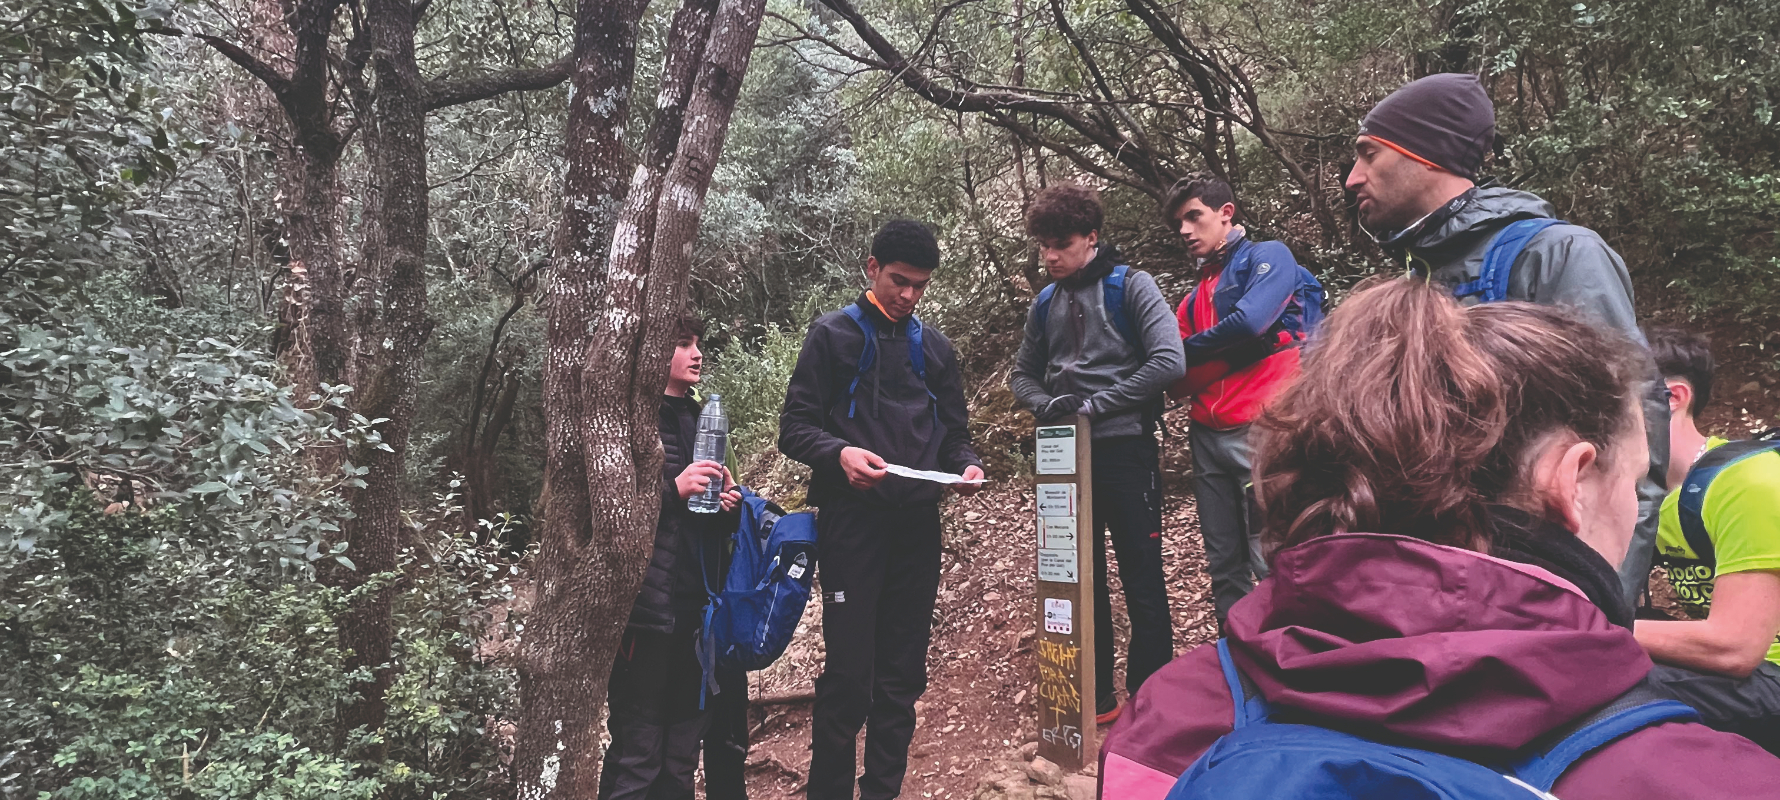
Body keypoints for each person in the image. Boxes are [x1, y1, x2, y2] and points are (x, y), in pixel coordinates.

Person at [1100, 279, 1780, 800]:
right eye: (1634, 480)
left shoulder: (1171, 715)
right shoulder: (1705, 777)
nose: (1637, 506)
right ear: (1569, 482)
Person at [1344, 72, 1670, 605]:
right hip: (1447, 585)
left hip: (1547, 592)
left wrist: (1605, 607)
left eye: (1369, 154)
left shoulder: (1558, 256)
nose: (1353, 178)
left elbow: (1627, 441)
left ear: (1427, 154)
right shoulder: (1416, 279)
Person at [778, 220, 985, 800]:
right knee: (849, 674)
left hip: (917, 525)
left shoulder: (935, 347)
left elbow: (956, 435)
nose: (908, 295)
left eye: (920, 286)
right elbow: (793, 428)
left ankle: (883, 792)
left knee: (902, 675)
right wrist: (838, 452)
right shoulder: (832, 336)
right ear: (872, 267)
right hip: (852, 522)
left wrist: (965, 466)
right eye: (899, 281)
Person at [1009, 184, 1185, 725]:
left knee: (1142, 573)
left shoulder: (1131, 286)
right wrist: (1051, 405)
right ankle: (1097, 695)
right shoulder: (1046, 302)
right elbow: (1021, 374)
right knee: (1079, 578)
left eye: (1060, 244)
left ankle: (1151, 698)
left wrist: (1095, 406)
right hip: (1063, 460)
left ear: (1092, 237)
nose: (1050, 256)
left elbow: (1168, 361)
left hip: (1124, 449)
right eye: (1043, 247)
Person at [1162, 174, 1323, 629]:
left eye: (1194, 216)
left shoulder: (1267, 257)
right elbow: (1174, 378)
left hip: (1264, 427)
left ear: (1225, 213)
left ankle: (1290, 652)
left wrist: (1201, 352)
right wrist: (1221, 348)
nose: (1186, 230)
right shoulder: (1191, 300)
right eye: (1179, 223)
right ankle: (1237, 656)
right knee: (1223, 561)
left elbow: (1251, 322)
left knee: (1270, 554)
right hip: (1206, 436)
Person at [599, 315, 743, 800]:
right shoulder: (633, 420)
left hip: (697, 611)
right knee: (637, 750)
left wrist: (725, 506)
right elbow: (605, 506)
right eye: (684, 344)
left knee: (682, 752)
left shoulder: (701, 417)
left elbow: (701, 520)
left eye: (697, 343)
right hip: (646, 615)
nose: (696, 353)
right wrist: (671, 489)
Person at [1635, 327, 1780, 752]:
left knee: (1612, 683)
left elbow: (1736, 647)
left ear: (1672, 397)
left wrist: (1604, 629)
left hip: (1768, 668)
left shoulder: (1749, 482)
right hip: (1748, 670)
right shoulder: (1646, 493)